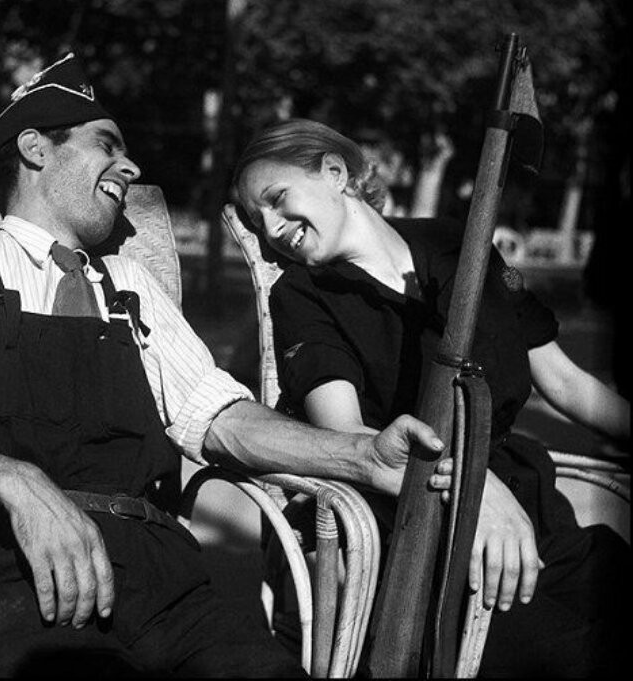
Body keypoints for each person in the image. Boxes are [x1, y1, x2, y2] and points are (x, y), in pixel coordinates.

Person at [0, 56, 451, 678]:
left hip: (164, 581)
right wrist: (16, 481)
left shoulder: (129, 282)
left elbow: (222, 420)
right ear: (35, 148)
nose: (131, 167)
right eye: (107, 145)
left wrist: (362, 455)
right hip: (13, 568)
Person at [233, 118, 630, 678]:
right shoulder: (302, 296)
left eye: (277, 200)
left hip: (538, 518)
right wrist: (471, 488)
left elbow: (563, 382)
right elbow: (346, 435)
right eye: (258, 221)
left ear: (334, 172)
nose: (272, 229)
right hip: (425, 540)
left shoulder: (456, 242)